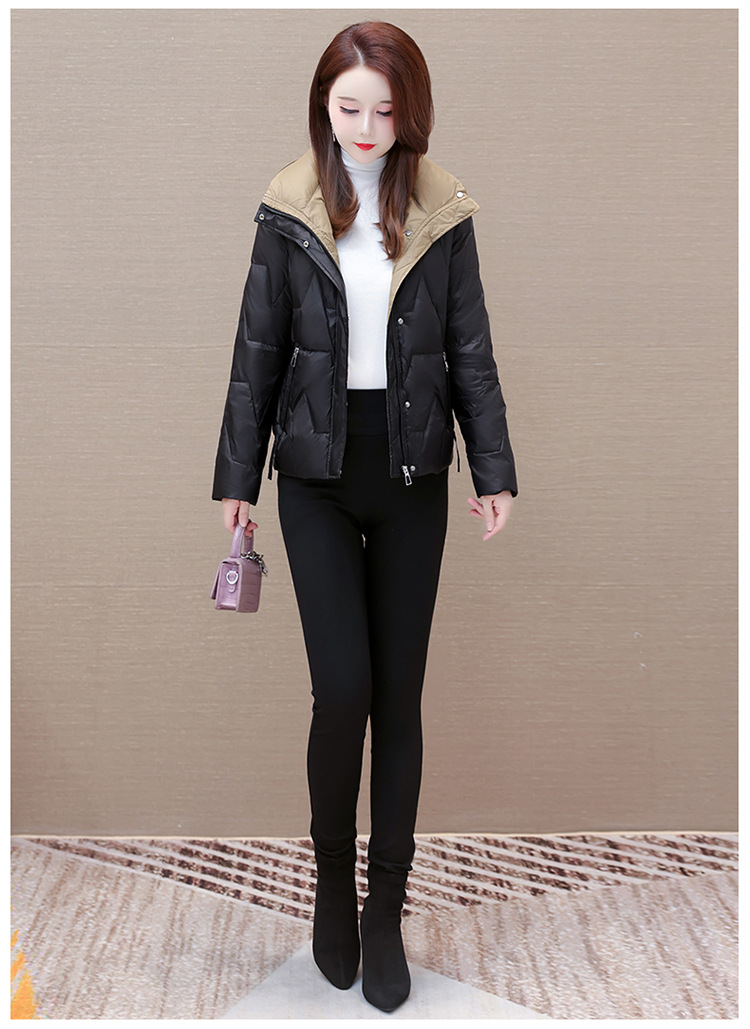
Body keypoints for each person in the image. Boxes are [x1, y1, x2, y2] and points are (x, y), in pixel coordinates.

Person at [211, 20, 518, 1014]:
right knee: (342, 688)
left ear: (411, 111)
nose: (368, 127)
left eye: (387, 109)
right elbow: (257, 349)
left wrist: (493, 468)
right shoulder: (289, 206)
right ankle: (332, 889)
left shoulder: (443, 209)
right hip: (314, 475)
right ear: (324, 105)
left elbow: (469, 348)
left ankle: (384, 911)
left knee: (399, 698)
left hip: (413, 472)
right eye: (350, 107)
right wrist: (237, 476)